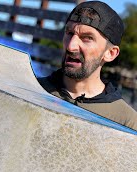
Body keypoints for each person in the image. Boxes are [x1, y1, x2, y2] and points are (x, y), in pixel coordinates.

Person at [38, 1, 137, 131]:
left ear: (110, 53)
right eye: (69, 33)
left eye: (87, 38)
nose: (71, 46)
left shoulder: (127, 123)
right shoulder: (33, 89)